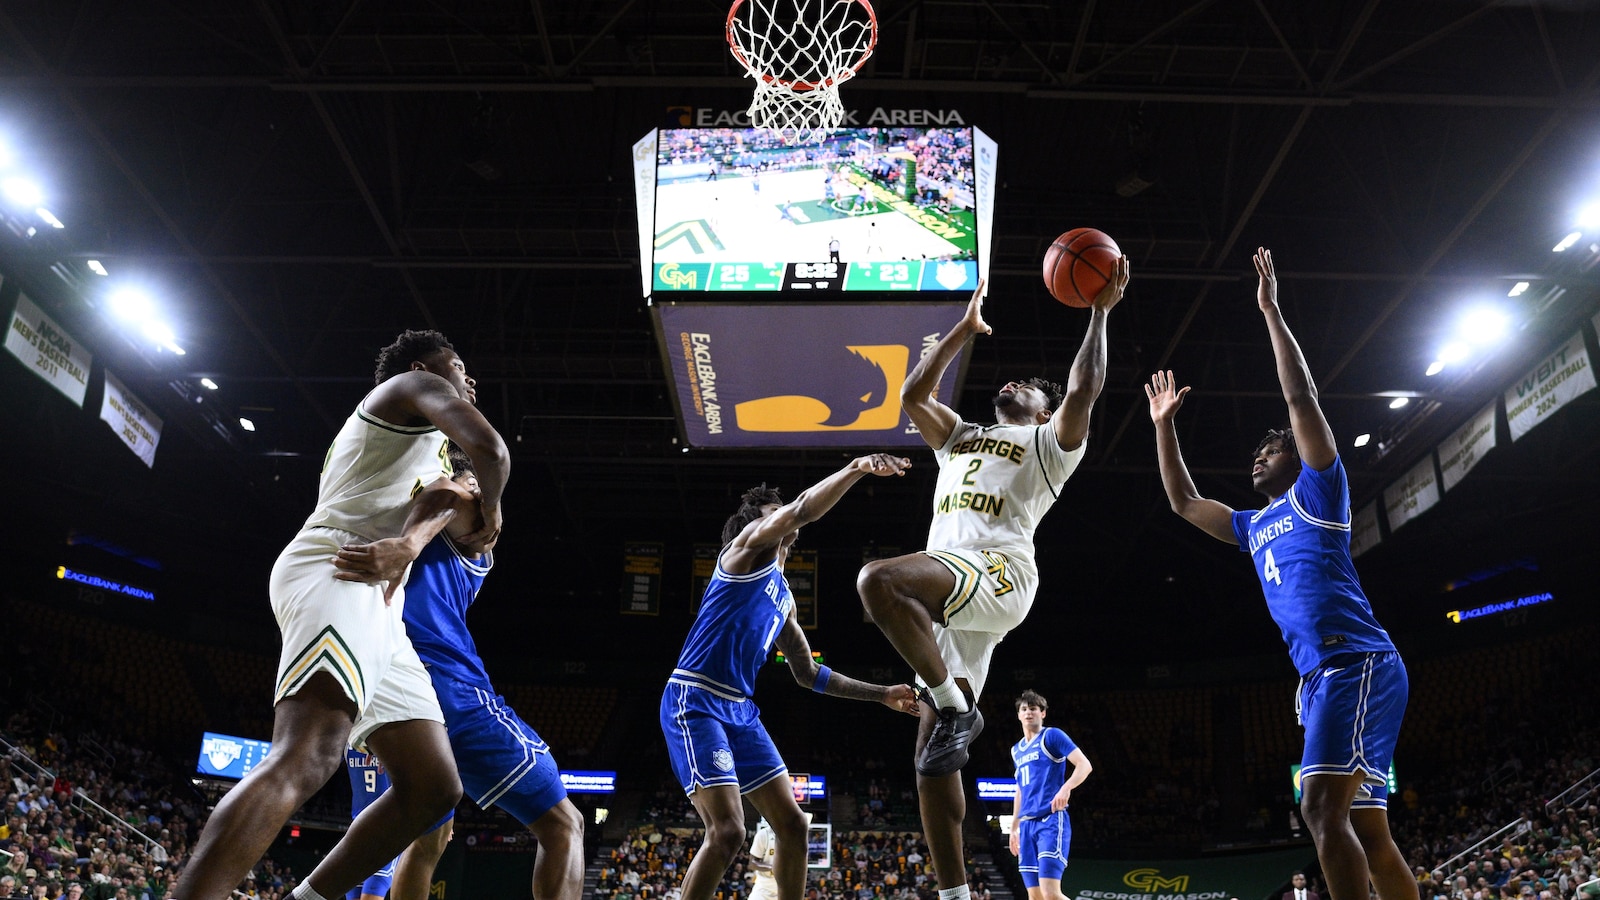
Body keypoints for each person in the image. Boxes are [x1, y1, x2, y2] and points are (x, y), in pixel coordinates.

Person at [172, 329, 508, 900]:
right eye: (459, 366)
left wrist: (421, 535)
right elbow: (492, 451)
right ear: (427, 369)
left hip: (382, 599)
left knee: (433, 788)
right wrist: (492, 506)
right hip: (342, 563)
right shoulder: (412, 385)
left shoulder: (426, 452)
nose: (468, 378)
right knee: (309, 753)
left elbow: (458, 508)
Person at [1143, 248, 1415, 900]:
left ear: (1298, 455)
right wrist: (1163, 429)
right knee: (1366, 829)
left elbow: (1300, 395)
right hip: (1326, 677)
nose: (1259, 458)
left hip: (1357, 665)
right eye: (1258, 453)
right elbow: (1183, 502)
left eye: (1272, 449)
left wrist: (1270, 311)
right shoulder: (1249, 525)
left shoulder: (1320, 492)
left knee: (1321, 811)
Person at [855, 263, 1127, 900]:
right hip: (950, 600)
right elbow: (912, 397)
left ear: (1041, 410)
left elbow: (1084, 390)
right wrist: (961, 329)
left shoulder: (1047, 446)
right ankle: (955, 894)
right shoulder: (961, 437)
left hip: (998, 576)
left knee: (878, 582)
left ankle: (955, 706)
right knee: (932, 763)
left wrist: (1100, 311)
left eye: (1030, 388)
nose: (1013, 385)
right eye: (1011, 382)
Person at [664, 456, 923, 900]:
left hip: (740, 710)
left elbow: (808, 674)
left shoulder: (783, 598)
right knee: (727, 832)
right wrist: (857, 468)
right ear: (754, 527)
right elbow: (802, 508)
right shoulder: (742, 554)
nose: (783, 516)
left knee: (794, 824)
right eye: (773, 513)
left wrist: (881, 694)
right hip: (696, 698)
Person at [334, 449, 584, 900]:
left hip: (384, 687)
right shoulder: (426, 508)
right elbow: (454, 486)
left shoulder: (467, 525)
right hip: (447, 689)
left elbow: (456, 492)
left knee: (427, 837)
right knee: (565, 823)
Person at [1007, 690, 1091, 900]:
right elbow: (1020, 790)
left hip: (1050, 820)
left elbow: (1084, 765)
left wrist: (1066, 788)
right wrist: (1014, 828)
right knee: (1035, 897)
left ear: (1042, 713)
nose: (1028, 713)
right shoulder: (1016, 750)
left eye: (1033, 709)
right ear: (1018, 715)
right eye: (1024, 709)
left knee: (1051, 894)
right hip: (1026, 825)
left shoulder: (1052, 735)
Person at [343, 748, 453, 900]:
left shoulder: (378, 740)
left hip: (381, 830)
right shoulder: (365, 739)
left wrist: (441, 813)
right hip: (368, 832)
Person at [748, 819, 780, 900]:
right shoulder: (764, 834)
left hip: (785, 888)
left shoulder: (793, 836)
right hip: (763, 888)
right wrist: (773, 867)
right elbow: (752, 863)